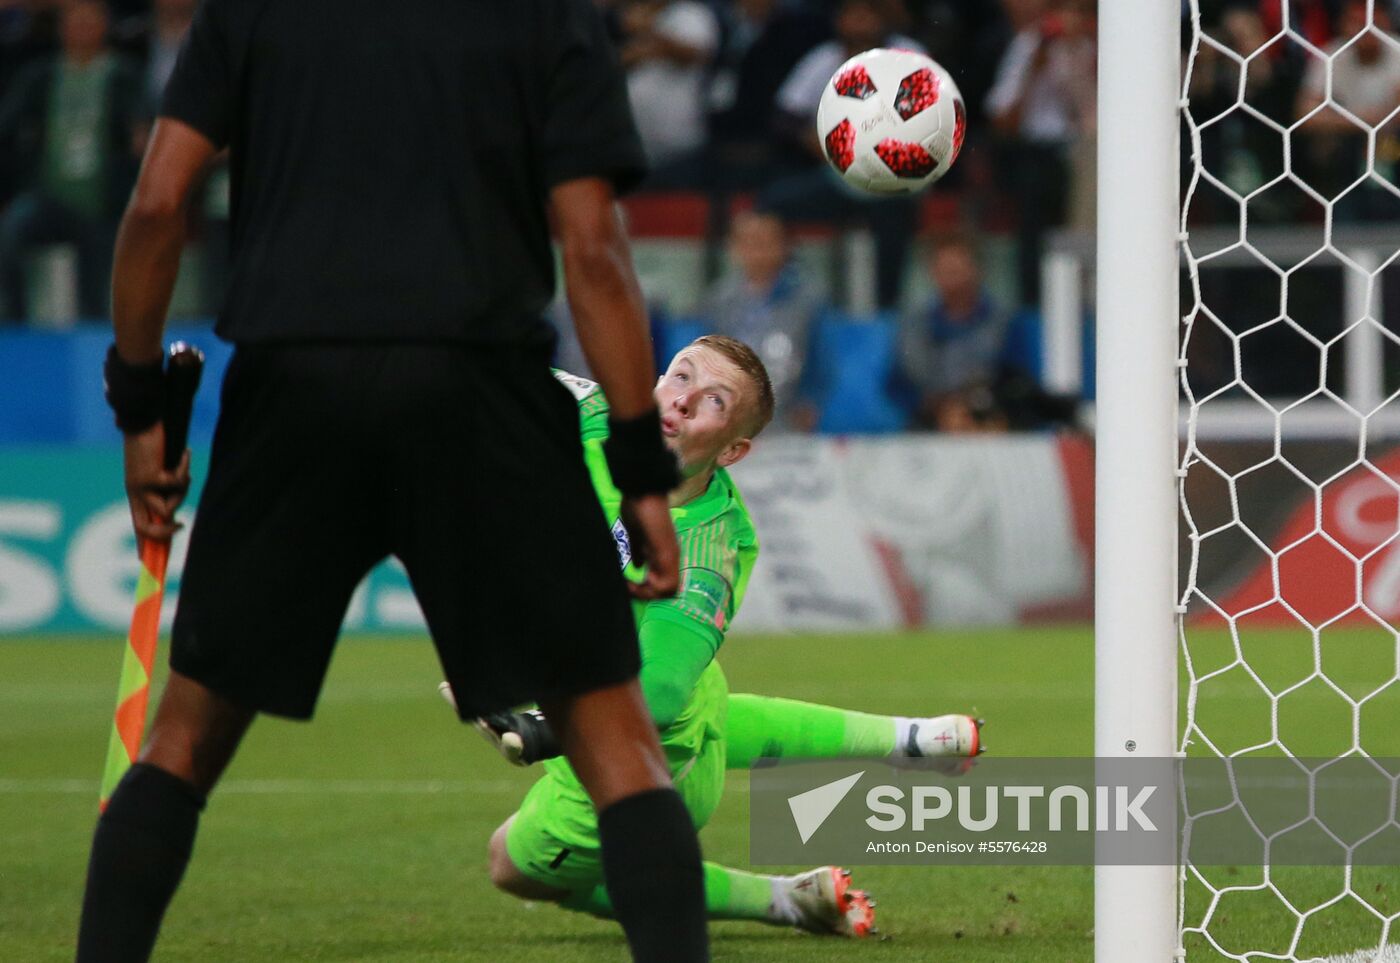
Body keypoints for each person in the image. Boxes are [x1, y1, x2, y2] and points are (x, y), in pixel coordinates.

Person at [78, 2, 713, 961]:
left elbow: (159, 203)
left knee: (182, 740)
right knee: (619, 744)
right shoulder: (547, 19)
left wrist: (139, 412)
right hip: (481, 389)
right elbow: (592, 246)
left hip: (293, 388)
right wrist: (642, 471)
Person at [441, 335, 983, 936]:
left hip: (642, 758)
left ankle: (781, 901)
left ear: (733, 450)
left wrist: (546, 730)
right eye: (679, 377)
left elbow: (659, 692)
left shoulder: (704, 551)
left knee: (512, 867)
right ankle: (912, 739)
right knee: (718, 711)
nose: (681, 402)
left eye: (714, 402)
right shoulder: (594, 411)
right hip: (692, 702)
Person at [760, 0, 923, 310]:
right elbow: (784, 117)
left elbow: (933, 115)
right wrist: (822, 144)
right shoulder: (825, 58)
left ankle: (887, 311)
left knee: (894, 221)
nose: (859, 23)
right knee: (773, 202)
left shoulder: (908, 54)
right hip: (839, 176)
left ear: (882, 18)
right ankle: (791, 300)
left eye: (867, 14)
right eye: (852, 14)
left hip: (895, 178)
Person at [0, 0, 146, 322]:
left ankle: (94, 346)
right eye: (73, 20)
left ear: (104, 24)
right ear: (61, 28)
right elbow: (7, 132)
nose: (81, 28)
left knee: (95, 294)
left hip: (104, 204)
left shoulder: (123, 76)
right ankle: (14, 325)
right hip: (48, 199)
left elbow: (143, 131)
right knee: (11, 233)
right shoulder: (39, 77)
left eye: (89, 20)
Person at [698, 211, 822, 431]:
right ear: (734, 247)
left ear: (784, 246)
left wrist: (809, 402)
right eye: (749, 243)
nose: (758, 252)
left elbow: (820, 359)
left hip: (787, 417)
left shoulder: (807, 301)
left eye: (766, 243)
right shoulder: (718, 302)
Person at [898, 233, 1012, 432]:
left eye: (958, 269)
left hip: (988, 420)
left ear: (977, 269)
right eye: (945, 269)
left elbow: (1013, 376)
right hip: (928, 421)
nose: (953, 277)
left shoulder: (1001, 321)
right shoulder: (915, 323)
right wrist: (939, 407)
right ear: (932, 272)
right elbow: (899, 381)